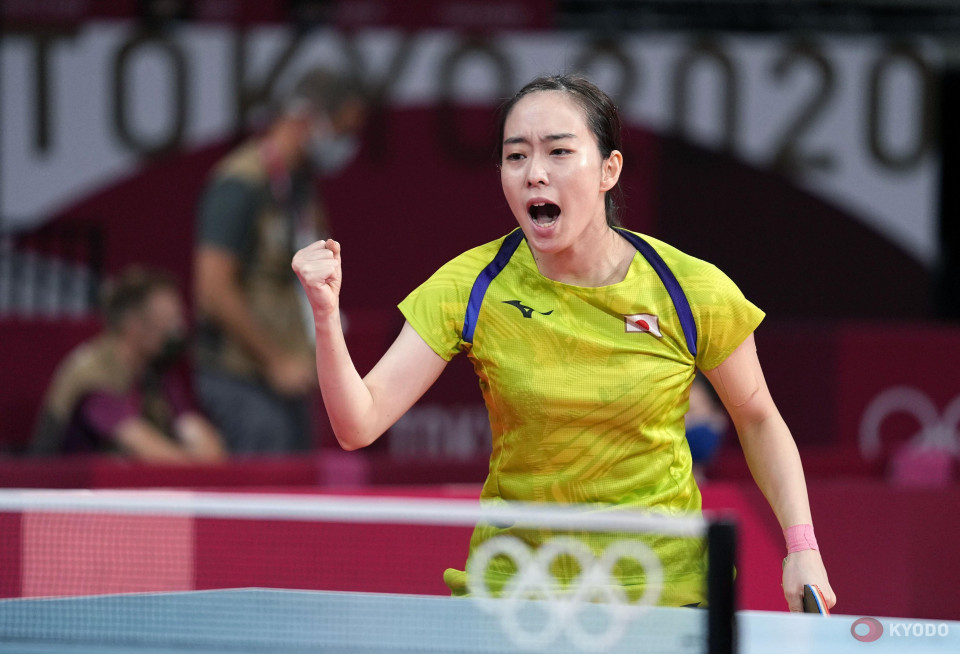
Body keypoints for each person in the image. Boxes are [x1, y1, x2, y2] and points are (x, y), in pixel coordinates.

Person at [292, 74, 835, 611]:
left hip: (665, 597)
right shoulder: (473, 286)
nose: (534, 174)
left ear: (608, 169)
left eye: (558, 152)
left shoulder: (689, 289)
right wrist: (324, 314)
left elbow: (758, 419)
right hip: (518, 599)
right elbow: (358, 423)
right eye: (516, 156)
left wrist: (802, 546)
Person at [194, 67, 366, 454]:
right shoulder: (240, 184)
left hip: (289, 377)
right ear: (308, 118)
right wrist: (274, 360)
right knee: (264, 502)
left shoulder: (300, 186)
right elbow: (212, 288)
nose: (346, 144)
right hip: (241, 377)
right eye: (342, 130)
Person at [31, 267, 226, 463]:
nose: (179, 331)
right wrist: (197, 465)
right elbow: (158, 458)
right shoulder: (93, 376)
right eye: (169, 321)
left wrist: (202, 459)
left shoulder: (155, 372)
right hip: (67, 489)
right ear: (133, 325)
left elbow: (206, 445)